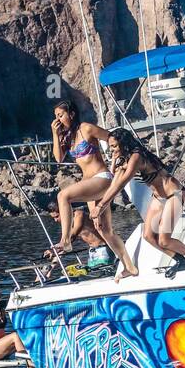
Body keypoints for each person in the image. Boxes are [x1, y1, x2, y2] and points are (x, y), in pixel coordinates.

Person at [93, 128, 185, 280]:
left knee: (164, 240)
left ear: (123, 143)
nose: (111, 150)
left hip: (175, 194)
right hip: (158, 197)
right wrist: (114, 160)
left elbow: (122, 183)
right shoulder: (125, 158)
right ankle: (180, 260)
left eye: (113, 146)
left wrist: (101, 206)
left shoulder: (137, 156)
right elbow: (115, 180)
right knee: (148, 235)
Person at [50, 99, 138, 277]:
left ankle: (65, 240)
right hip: (91, 187)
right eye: (55, 117)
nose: (58, 119)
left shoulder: (86, 128)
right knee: (104, 230)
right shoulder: (67, 137)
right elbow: (58, 158)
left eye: (60, 115)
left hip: (102, 178)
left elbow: (113, 139)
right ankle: (130, 267)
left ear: (71, 114)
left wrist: (116, 162)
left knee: (63, 196)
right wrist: (55, 133)